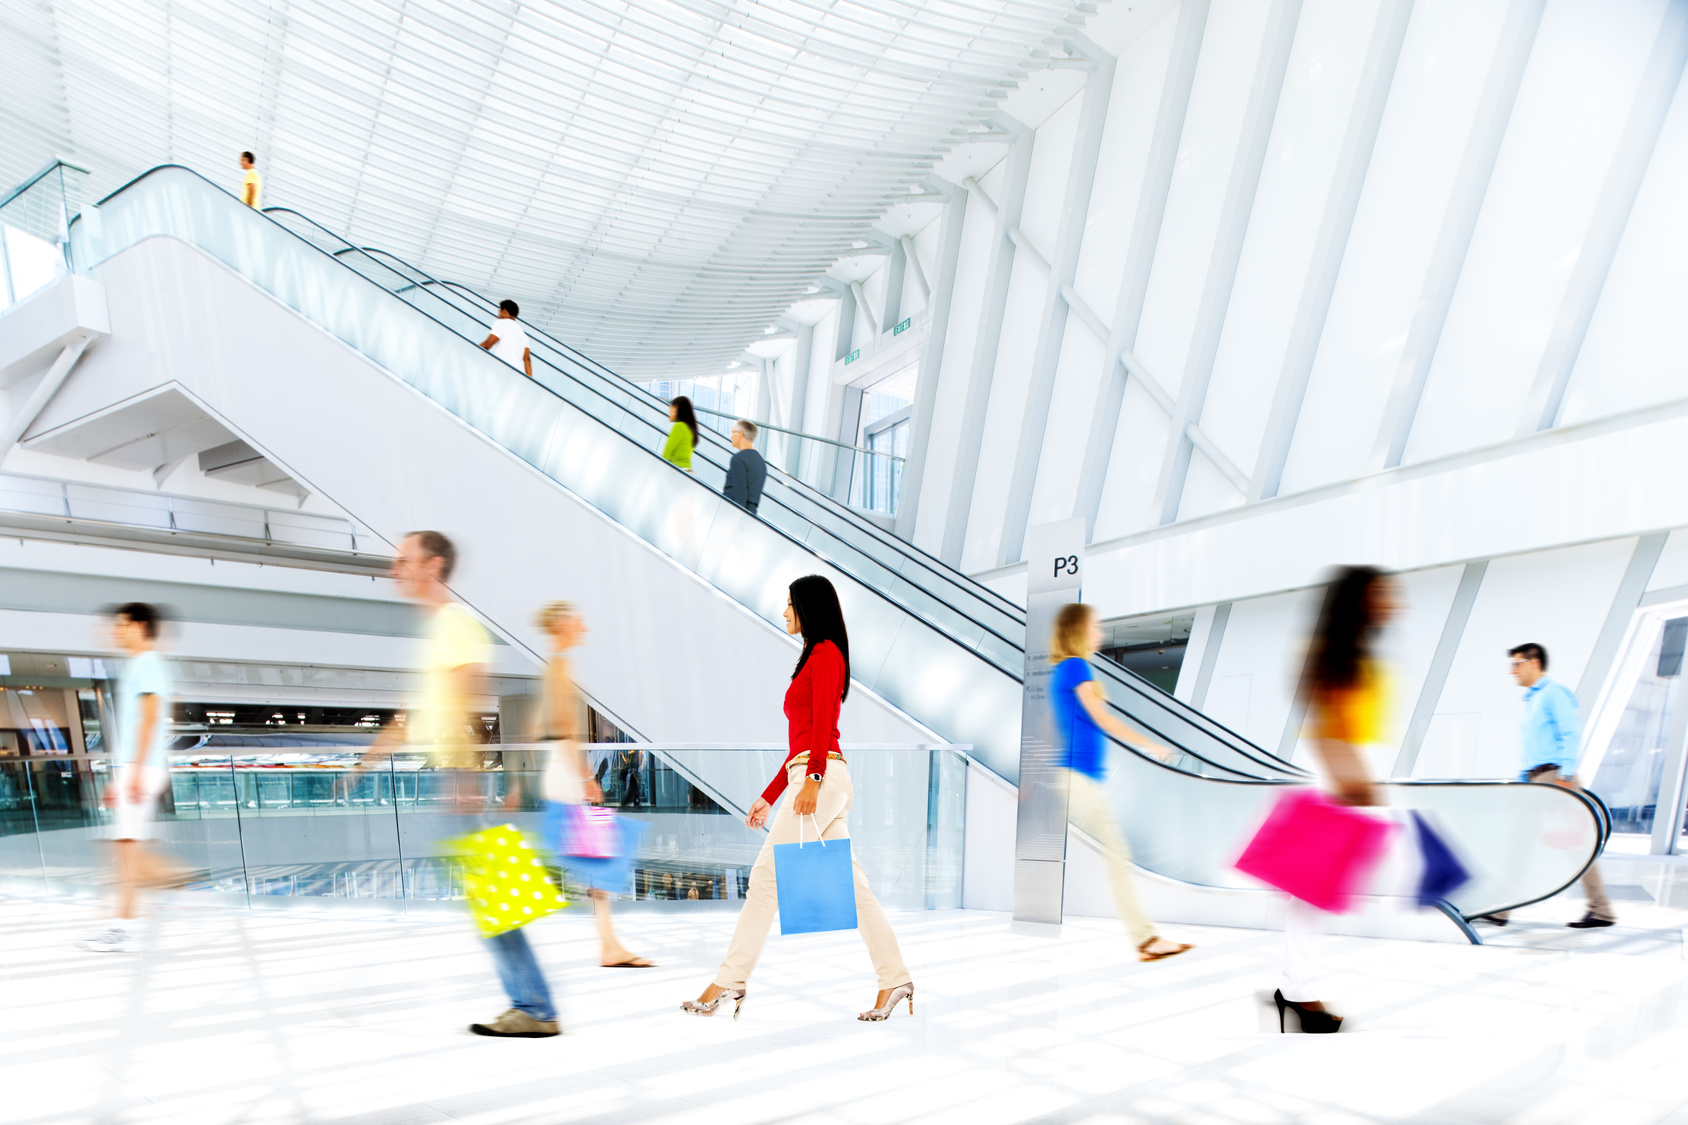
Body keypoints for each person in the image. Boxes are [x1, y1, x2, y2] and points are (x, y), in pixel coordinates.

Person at [683, 575, 913, 1022]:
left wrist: (812, 779)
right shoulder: (812, 657)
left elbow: (825, 722)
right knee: (855, 889)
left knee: (765, 880)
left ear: (809, 607)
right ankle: (895, 979)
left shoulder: (826, 652)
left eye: (790, 604)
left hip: (820, 779)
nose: (785, 611)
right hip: (813, 776)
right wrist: (771, 795)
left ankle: (729, 981)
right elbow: (799, 743)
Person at [363, 531, 560, 1038]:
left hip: (457, 777)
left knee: (491, 899)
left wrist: (466, 776)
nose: (395, 570)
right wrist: (368, 759)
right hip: (452, 775)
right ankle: (532, 1004)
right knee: (487, 899)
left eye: (402, 560)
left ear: (431, 565)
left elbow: (469, 688)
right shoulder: (438, 631)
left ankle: (535, 1008)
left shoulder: (454, 625)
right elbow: (416, 713)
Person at [1274, 565, 1397, 1034]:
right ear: (1357, 600)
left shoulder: (1356, 654)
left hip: (1356, 783)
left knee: (1313, 897)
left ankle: (1298, 987)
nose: (1393, 602)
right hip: (1340, 786)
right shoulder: (1329, 654)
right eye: (1382, 593)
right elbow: (1328, 732)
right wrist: (1356, 790)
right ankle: (1300, 992)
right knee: (1310, 897)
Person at [1049, 603, 1192, 963]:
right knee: (1118, 855)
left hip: (1074, 777)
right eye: (1094, 627)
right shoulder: (1076, 667)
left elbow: (1057, 728)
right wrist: (1152, 745)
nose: (1101, 634)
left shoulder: (1062, 671)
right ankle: (1145, 941)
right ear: (1078, 631)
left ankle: (1145, 939)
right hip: (1078, 778)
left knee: (1116, 855)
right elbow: (1102, 719)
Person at [533, 600, 654, 968]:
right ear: (561, 624)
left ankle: (609, 945)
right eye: (576, 617)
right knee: (600, 852)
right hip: (566, 773)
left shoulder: (558, 664)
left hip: (563, 770)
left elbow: (546, 727)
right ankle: (608, 945)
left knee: (598, 855)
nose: (582, 623)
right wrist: (587, 777)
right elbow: (563, 729)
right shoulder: (560, 665)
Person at [1476, 643, 1615, 930]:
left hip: (1555, 778)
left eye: (1517, 663)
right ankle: (1502, 910)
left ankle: (1601, 910)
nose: (1512, 670)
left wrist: (1565, 775)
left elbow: (1570, 734)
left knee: (1574, 845)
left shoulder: (1553, 693)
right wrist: (1523, 782)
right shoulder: (1532, 699)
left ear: (1534, 662)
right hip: (1539, 779)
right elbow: (1533, 749)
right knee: (1520, 843)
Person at [79, 603, 173, 953]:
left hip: (142, 767)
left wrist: (132, 774)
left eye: (121, 625)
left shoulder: (147, 664)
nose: (115, 631)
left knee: (127, 851)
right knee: (125, 848)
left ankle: (124, 928)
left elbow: (149, 719)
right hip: (138, 767)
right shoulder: (140, 665)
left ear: (139, 626)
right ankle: (132, 917)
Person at [723, 419, 767, 515]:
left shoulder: (739, 459)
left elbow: (740, 494)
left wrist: (734, 524)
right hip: (751, 513)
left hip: (732, 513)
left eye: (733, 432)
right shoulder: (760, 461)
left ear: (740, 434)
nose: (731, 437)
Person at [479, 300, 533, 378]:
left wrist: (470, 350)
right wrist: (530, 380)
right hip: (518, 375)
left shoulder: (501, 323)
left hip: (502, 370)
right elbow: (527, 359)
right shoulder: (523, 335)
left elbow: (487, 345)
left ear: (504, 311)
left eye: (499, 312)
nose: (498, 315)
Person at [661, 396, 699, 472]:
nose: (669, 412)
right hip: (687, 470)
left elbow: (666, 453)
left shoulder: (679, 426)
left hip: (678, 471)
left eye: (670, 408)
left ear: (676, 408)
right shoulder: (690, 428)